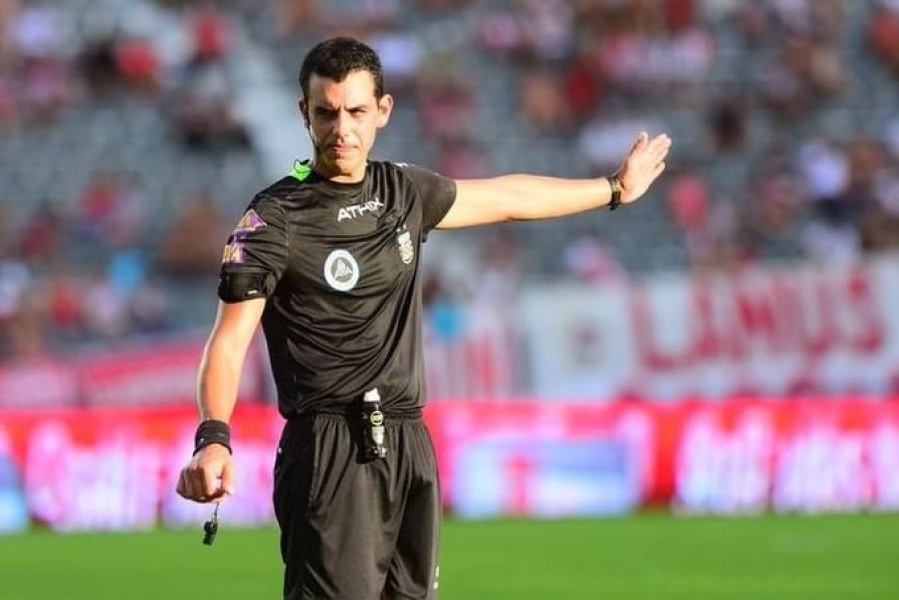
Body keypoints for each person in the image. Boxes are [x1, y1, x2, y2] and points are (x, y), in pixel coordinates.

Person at [175, 36, 671, 600]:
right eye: (327, 113)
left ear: (383, 110)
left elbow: (506, 197)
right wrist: (213, 438)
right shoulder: (273, 220)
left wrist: (612, 188)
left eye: (357, 111)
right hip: (329, 448)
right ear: (303, 112)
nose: (342, 129)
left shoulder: (403, 191)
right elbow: (228, 341)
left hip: (409, 441)